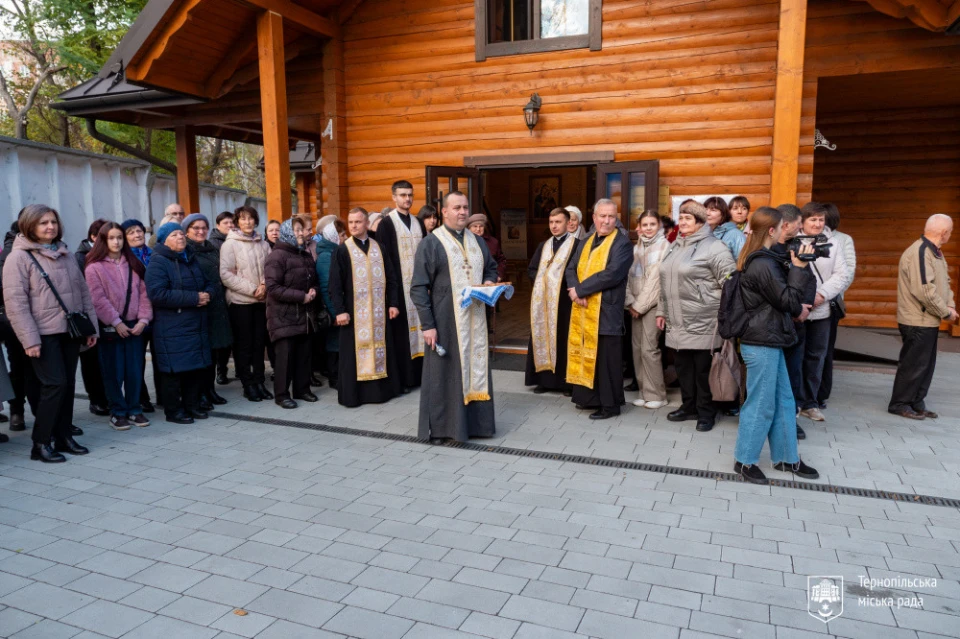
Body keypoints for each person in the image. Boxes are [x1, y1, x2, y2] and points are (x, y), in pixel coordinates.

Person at [3, 204, 98, 462]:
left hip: (69, 331)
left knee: (67, 385)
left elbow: (83, 293)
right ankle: (41, 443)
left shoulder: (65, 254)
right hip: (42, 334)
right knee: (54, 384)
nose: (50, 227)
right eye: (43, 222)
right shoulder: (18, 257)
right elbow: (16, 303)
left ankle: (64, 436)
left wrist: (91, 328)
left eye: (53, 222)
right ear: (29, 226)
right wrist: (29, 339)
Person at [733, 206, 819, 484]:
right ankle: (744, 461)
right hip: (761, 342)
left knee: (784, 401)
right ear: (772, 230)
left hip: (772, 339)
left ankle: (786, 458)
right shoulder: (761, 264)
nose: (788, 231)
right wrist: (799, 267)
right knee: (761, 405)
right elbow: (790, 302)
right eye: (784, 226)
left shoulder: (768, 259)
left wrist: (796, 265)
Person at [411, 191, 498, 442]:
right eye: (457, 208)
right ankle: (442, 430)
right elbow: (418, 287)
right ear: (445, 212)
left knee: (475, 369)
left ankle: (476, 426)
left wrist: (490, 281)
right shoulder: (431, 242)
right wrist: (428, 325)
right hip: (445, 321)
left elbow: (490, 266)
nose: (462, 212)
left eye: (465, 207)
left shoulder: (477, 240)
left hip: (475, 318)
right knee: (443, 376)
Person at [657, 200, 736, 432]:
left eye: (688, 218)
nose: (682, 222)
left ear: (701, 222)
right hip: (676, 319)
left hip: (704, 319)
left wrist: (724, 316)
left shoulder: (715, 247)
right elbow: (663, 282)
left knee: (703, 371)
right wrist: (662, 310)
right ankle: (688, 406)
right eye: (680, 218)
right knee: (683, 368)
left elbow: (730, 283)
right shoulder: (674, 245)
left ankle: (706, 412)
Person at [565, 199, 634, 420]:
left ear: (616, 218)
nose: (606, 220)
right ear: (594, 217)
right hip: (584, 310)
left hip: (607, 311)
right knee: (588, 355)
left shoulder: (622, 244)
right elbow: (571, 268)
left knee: (606, 360)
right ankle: (589, 398)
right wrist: (577, 290)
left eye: (611, 216)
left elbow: (612, 274)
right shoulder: (585, 242)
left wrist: (581, 290)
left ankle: (610, 405)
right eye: (602, 216)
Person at [330, 208, 402, 407]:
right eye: (351, 222)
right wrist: (340, 310)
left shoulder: (380, 248)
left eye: (358, 222)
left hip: (379, 312)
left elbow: (392, 278)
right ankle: (355, 396)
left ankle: (380, 392)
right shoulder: (342, 250)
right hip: (353, 314)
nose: (353, 225)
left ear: (367, 224)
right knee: (353, 355)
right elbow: (334, 285)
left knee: (381, 348)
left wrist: (393, 303)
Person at [85, 222, 153, 430]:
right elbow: (97, 299)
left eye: (119, 238)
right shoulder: (94, 267)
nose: (116, 242)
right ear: (102, 241)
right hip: (110, 327)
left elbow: (144, 294)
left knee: (134, 370)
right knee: (113, 371)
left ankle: (134, 408)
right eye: (111, 238)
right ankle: (118, 410)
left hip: (135, 326)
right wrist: (116, 322)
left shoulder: (132, 263)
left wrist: (143, 320)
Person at [889, 214, 956, 420]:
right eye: (950, 231)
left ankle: (916, 402)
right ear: (944, 233)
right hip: (917, 320)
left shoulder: (935, 253)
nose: (950, 235)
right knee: (913, 364)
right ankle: (900, 403)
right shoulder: (920, 252)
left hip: (928, 319)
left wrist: (950, 305)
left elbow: (944, 283)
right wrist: (945, 312)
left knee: (926, 365)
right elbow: (925, 290)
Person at [146, 222, 213, 424]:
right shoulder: (158, 262)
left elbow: (207, 281)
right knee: (174, 371)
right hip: (171, 326)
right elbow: (157, 294)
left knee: (194, 368)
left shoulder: (189, 258)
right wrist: (194, 298)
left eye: (181, 234)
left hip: (194, 323)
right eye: (174, 235)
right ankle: (174, 411)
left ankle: (192, 406)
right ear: (164, 240)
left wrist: (208, 294)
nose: (181, 237)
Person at [795, 202, 849, 423]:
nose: (817, 224)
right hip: (797, 310)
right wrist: (801, 301)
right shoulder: (792, 241)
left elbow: (842, 274)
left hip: (822, 309)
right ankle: (795, 401)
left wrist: (820, 295)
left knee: (816, 357)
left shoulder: (834, 244)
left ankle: (810, 402)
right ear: (803, 221)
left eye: (820, 219)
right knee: (795, 357)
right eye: (813, 219)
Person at [376, 180, 427, 391]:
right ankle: (405, 380)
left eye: (410, 195)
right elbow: (384, 261)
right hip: (398, 289)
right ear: (394, 197)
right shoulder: (387, 224)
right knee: (401, 335)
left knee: (422, 331)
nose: (407, 199)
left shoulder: (418, 222)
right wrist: (391, 298)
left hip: (419, 287)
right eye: (403, 195)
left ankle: (421, 376)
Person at [265, 217, 321, 408]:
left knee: (304, 355)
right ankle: (281, 395)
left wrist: (313, 290)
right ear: (288, 232)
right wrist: (301, 296)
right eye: (296, 230)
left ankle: (302, 389)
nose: (301, 233)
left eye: (301, 230)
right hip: (284, 315)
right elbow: (272, 287)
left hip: (304, 314)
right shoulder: (277, 256)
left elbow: (313, 279)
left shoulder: (304, 254)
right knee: (285, 358)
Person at [220, 205, 272, 402]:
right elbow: (226, 274)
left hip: (262, 300)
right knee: (244, 345)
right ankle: (247, 384)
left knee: (259, 344)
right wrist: (252, 289)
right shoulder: (230, 244)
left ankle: (259, 381)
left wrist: (264, 286)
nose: (247, 222)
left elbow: (270, 268)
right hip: (241, 302)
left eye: (251, 218)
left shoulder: (263, 244)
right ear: (237, 222)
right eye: (243, 219)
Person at [525, 208, 579, 395]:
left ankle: (567, 383)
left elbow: (578, 272)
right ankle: (544, 380)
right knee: (542, 336)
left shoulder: (577, 245)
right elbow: (532, 268)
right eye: (551, 222)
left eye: (558, 222)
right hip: (544, 302)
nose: (554, 226)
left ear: (567, 223)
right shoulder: (543, 245)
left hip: (565, 303)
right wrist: (542, 281)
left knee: (564, 339)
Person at [183, 214, 231, 409]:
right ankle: (200, 392)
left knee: (212, 352)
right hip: (199, 308)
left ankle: (210, 390)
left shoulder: (212, 250)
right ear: (186, 230)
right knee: (201, 354)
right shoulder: (186, 251)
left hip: (216, 306)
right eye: (195, 228)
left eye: (204, 227)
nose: (200, 231)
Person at [774, 204, 813, 440]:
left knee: (792, 374)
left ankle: (789, 420)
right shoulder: (766, 252)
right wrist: (795, 308)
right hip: (774, 325)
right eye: (799, 225)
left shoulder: (796, 247)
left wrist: (804, 307)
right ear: (786, 225)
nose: (801, 230)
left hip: (796, 324)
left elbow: (809, 278)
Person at [625, 210, 670, 409]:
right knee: (637, 350)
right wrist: (629, 302)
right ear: (639, 227)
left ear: (659, 225)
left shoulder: (665, 247)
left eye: (653, 224)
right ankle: (644, 392)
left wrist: (639, 306)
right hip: (635, 306)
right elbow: (626, 277)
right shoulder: (637, 248)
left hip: (652, 306)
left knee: (649, 349)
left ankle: (658, 395)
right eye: (645, 224)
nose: (649, 228)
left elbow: (656, 281)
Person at [0, 216, 39, 436]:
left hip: (34, 319)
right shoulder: (11, 253)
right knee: (22, 368)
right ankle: (18, 411)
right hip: (15, 320)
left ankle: (23, 413)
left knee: (25, 368)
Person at [817, 202, 856, 409]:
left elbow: (848, 272)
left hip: (830, 303)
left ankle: (821, 393)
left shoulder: (843, 240)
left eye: (821, 219)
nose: (817, 223)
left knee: (825, 349)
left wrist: (826, 293)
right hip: (808, 303)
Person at [122, 219, 160, 412]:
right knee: (137, 361)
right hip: (135, 317)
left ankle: (162, 395)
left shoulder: (153, 254)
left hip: (158, 313)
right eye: (131, 232)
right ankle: (140, 397)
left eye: (139, 231)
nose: (137, 235)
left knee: (160, 357)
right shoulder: (123, 259)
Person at [75, 219, 111, 417]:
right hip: (89, 318)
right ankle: (96, 400)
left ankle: (107, 398)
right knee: (91, 362)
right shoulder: (81, 257)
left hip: (107, 317)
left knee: (105, 362)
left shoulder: (110, 255)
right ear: (93, 237)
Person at [316, 218, 346, 389]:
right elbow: (328, 286)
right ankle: (334, 378)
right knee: (334, 344)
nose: (344, 238)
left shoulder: (334, 252)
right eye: (342, 235)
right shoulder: (327, 256)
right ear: (334, 236)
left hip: (338, 307)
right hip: (333, 310)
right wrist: (335, 312)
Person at [468, 214, 507, 283]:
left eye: (481, 226)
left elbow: (501, 261)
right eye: (475, 226)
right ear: (469, 228)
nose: (478, 229)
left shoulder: (493, 242)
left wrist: (499, 275)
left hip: (490, 281)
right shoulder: (464, 242)